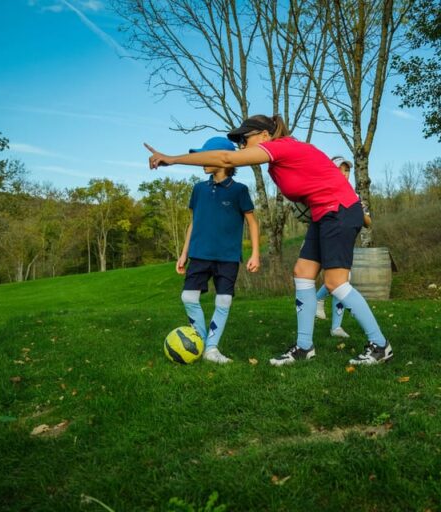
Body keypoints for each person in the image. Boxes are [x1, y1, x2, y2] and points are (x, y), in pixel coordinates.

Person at [145, 115, 391, 366]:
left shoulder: (281, 147)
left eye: (244, 139)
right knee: (303, 273)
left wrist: (172, 159)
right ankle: (304, 347)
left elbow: (225, 158)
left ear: (264, 136)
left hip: (339, 210)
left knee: (335, 282)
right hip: (324, 213)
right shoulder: (277, 162)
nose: (241, 146)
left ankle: (380, 345)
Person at [175, 137, 260, 364]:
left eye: (205, 156)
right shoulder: (199, 189)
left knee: (224, 301)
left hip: (228, 257)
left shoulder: (239, 190)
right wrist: (184, 253)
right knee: (188, 297)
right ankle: (201, 341)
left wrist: (255, 253)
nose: (201, 161)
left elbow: (252, 222)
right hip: (199, 254)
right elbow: (193, 222)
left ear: (223, 159)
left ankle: (211, 349)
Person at [314, 156, 372, 339]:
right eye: (340, 169)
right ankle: (319, 300)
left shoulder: (355, 196)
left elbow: (369, 223)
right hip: (329, 238)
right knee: (342, 280)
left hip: (346, 242)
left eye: (347, 170)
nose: (344, 173)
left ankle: (335, 326)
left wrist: (359, 211)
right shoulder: (324, 190)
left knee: (341, 280)